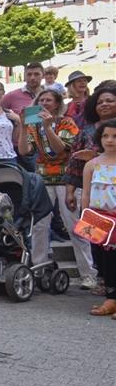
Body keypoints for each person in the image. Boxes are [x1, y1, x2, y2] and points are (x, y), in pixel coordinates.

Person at [17, 88, 94, 284]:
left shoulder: (66, 122)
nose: (44, 103)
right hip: (43, 180)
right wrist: (24, 126)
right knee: (40, 225)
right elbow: (25, 151)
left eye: (48, 100)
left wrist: (48, 127)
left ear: (58, 104)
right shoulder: (34, 126)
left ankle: (88, 274)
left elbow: (62, 149)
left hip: (67, 179)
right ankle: (39, 269)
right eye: (41, 99)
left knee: (75, 225)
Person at [66, 81, 116, 293]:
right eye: (100, 101)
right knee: (97, 245)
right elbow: (74, 161)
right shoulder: (86, 130)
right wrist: (70, 190)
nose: (104, 104)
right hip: (95, 200)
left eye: (110, 100)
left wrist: (94, 157)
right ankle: (106, 285)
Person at [82, 120, 116, 316]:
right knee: (103, 259)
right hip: (97, 217)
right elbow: (86, 193)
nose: (110, 140)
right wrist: (84, 216)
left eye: (114, 136)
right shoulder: (91, 165)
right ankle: (111, 299)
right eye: (105, 136)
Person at [2, 63, 44, 171]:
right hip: (22, 146)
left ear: (42, 75)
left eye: (36, 74)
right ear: (24, 76)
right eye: (29, 74)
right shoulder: (12, 95)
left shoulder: (49, 95)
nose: (32, 77)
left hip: (46, 145)